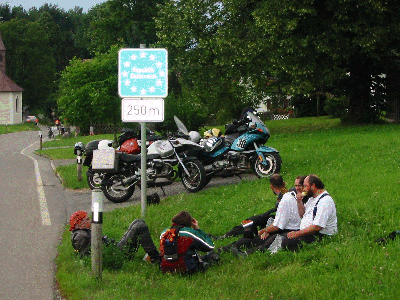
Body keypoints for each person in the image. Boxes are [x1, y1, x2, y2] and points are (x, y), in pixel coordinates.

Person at [216, 174, 301, 255]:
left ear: (271, 187)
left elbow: (280, 223)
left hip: (275, 217)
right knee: (252, 220)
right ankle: (234, 235)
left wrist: (265, 230)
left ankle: (229, 238)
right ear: (284, 183)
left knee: (251, 221)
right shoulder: (290, 194)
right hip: (276, 216)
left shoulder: (286, 198)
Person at [69, 211, 160, 263]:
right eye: (87, 219)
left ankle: (153, 255)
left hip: (114, 250)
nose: (91, 221)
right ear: (80, 223)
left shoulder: (82, 233)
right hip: (116, 255)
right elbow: (88, 257)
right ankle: (156, 258)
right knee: (139, 226)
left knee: (137, 222)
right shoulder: (81, 236)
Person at [281, 174, 337, 251]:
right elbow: (302, 215)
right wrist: (299, 201)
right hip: (307, 232)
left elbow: (317, 227)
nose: (303, 189)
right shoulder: (312, 199)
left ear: (313, 186)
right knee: (282, 235)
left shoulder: (325, 201)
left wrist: (297, 233)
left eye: (305, 186)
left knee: (287, 241)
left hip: (319, 235)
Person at [159, 210, 218, 274]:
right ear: (189, 223)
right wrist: (197, 229)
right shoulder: (189, 233)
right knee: (212, 257)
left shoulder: (164, 233)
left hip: (166, 269)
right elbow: (209, 246)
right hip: (186, 269)